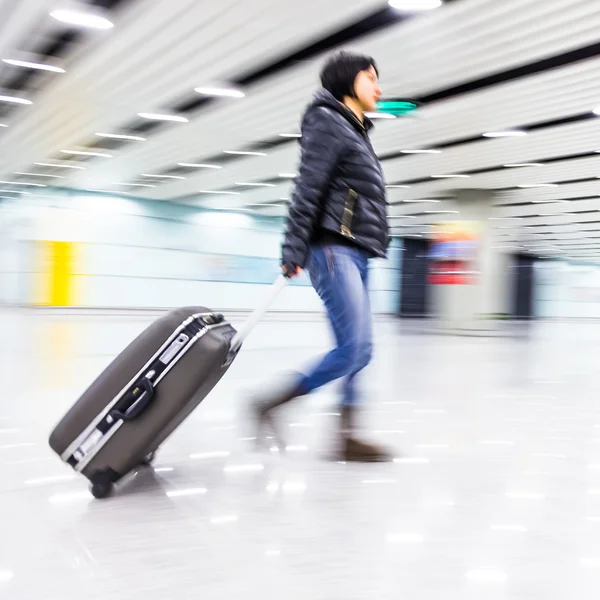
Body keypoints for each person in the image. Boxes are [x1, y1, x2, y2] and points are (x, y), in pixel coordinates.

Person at [254, 50, 392, 462]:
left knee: (355, 347)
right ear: (348, 81)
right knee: (357, 348)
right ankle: (272, 401)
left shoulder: (354, 129)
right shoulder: (327, 121)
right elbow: (308, 187)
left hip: (355, 249)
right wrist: (293, 247)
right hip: (333, 248)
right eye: (370, 78)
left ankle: (347, 436)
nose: (378, 87)